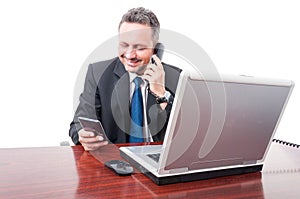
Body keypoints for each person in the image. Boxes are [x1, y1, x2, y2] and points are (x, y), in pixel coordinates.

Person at [69, 7, 181, 151]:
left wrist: (161, 93)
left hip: (156, 161)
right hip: (114, 162)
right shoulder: (98, 73)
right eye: (124, 45)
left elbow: (182, 137)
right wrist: (82, 135)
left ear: (155, 48)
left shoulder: (176, 77)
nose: (129, 55)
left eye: (139, 48)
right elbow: (76, 125)